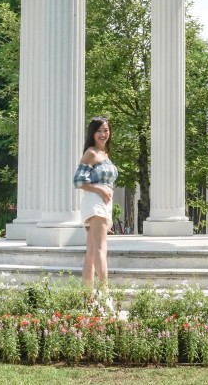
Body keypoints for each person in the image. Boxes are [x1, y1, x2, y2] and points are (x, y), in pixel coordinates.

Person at [73, 115, 118, 288]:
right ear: (92, 133)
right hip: (95, 203)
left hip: (104, 204)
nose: (103, 134)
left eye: (105, 130)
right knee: (101, 249)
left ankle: (87, 296)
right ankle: (105, 294)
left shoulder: (105, 154)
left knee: (91, 252)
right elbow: (78, 181)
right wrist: (99, 189)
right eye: (98, 130)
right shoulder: (91, 153)